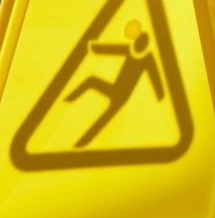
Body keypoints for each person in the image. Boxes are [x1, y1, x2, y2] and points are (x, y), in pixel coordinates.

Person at [66, 19, 165, 148]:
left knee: (103, 118)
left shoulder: (148, 58)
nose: (138, 44)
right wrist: (93, 48)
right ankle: (67, 100)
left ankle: (81, 144)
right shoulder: (129, 50)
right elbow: (111, 49)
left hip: (122, 97)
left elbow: (155, 76)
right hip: (115, 89)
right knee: (91, 81)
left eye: (141, 42)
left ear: (144, 45)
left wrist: (160, 95)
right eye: (138, 41)